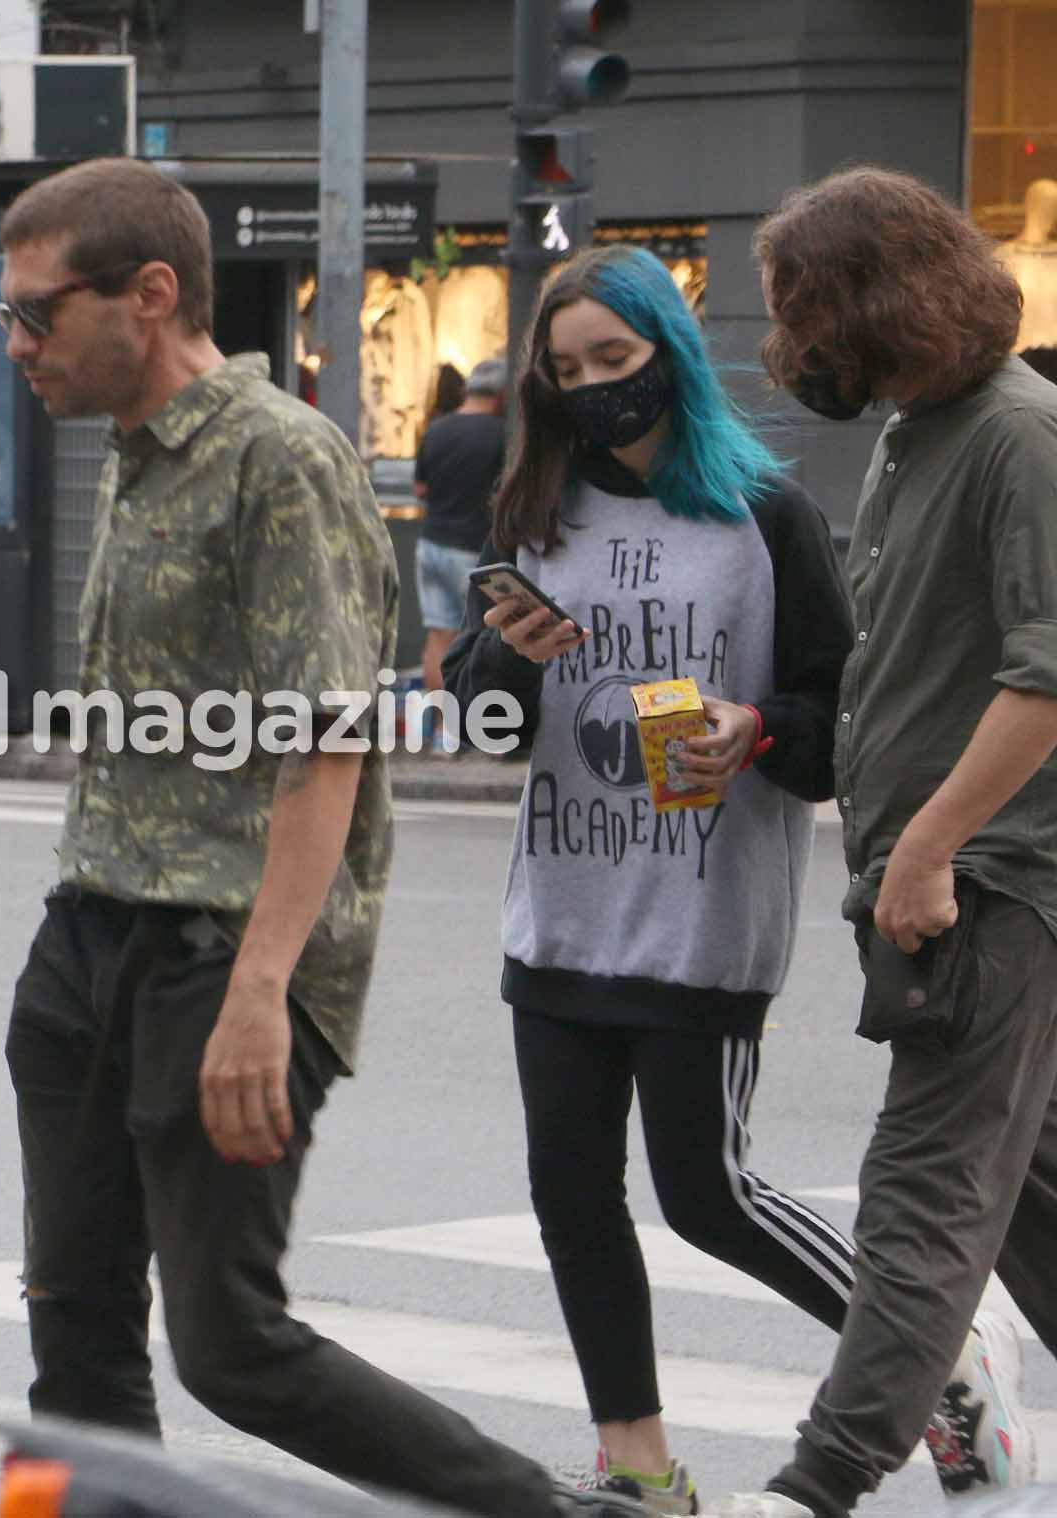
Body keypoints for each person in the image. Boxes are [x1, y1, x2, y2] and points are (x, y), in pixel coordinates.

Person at [0, 155, 643, 1518]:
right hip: (90, 934)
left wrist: (259, 992)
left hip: (222, 950)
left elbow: (328, 741)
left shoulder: (280, 459)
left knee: (229, 1340)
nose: (19, 345)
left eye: (38, 313)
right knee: (75, 1317)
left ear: (150, 293)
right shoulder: (130, 458)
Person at [438, 243, 968, 1513]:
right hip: (558, 908)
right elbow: (488, 728)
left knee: (708, 1195)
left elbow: (840, 719)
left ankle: (937, 1355)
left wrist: (756, 730)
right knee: (570, 1198)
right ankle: (641, 1469)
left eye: (613, 362)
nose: (592, 390)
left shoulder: (762, 515)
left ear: (666, 357)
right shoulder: (535, 514)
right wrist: (501, 663)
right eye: (565, 373)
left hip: (700, 918)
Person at [706, 165, 1057, 1518]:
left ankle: (816, 1485)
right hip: (940, 879)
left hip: (991, 882)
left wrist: (928, 850)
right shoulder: (926, 428)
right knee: (1025, 1192)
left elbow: (1043, 673)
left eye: (798, 304)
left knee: (920, 1195)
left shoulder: (1017, 434)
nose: (786, 339)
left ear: (877, 295)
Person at [414, 356, 507, 704]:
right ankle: (482, 724)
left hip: (431, 543)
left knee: (439, 636)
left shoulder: (436, 428)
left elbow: (420, 489)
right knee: (484, 638)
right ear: (501, 397)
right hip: (472, 548)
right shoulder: (502, 435)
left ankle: (443, 732)